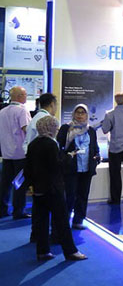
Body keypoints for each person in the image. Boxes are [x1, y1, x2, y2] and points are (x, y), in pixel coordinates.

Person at [24, 115, 87, 261]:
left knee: (41, 221)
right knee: (62, 221)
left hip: (39, 189)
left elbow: (28, 168)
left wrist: (30, 185)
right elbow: (57, 166)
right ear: (51, 128)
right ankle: (70, 251)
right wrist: (69, 157)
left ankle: (43, 251)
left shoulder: (33, 144)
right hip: (53, 189)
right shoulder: (51, 144)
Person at [57, 104, 101, 229]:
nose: (80, 115)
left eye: (83, 113)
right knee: (69, 195)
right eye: (78, 112)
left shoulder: (90, 130)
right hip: (71, 168)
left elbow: (94, 147)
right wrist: (66, 158)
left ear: (87, 115)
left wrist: (96, 157)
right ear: (74, 114)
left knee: (83, 195)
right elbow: (59, 147)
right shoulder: (66, 128)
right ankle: (63, 222)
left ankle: (78, 220)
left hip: (86, 168)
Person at [23, 93, 58, 242]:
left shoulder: (34, 119)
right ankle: (43, 237)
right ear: (51, 104)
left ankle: (36, 235)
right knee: (45, 207)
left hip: (35, 168)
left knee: (38, 206)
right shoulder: (46, 121)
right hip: (44, 172)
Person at [0, 86, 31, 219]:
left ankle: (2, 209)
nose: (26, 97)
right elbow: (27, 129)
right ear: (19, 96)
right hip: (20, 154)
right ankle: (18, 211)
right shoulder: (22, 110)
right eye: (25, 94)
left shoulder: (2, 112)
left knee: (5, 184)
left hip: (6, 153)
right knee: (20, 184)